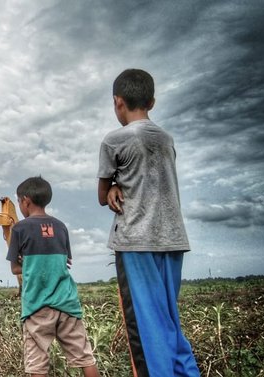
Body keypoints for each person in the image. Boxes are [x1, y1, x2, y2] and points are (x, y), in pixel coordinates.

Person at [97, 68, 200, 376]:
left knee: (147, 332)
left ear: (118, 102)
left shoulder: (114, 140)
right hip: (172, 240)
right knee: (169, 323)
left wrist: (113, 186)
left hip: (136, 242)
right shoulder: (166, 139)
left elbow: (103, 196)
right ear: (152, 101)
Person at [7, 176, 100, 377]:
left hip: (37, 305)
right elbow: (66, 262)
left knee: (37, 365)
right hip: (67, 302)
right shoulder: (61, 226)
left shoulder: (20, 229)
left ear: (25, 200)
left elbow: (15, 268)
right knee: (85, 358)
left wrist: (28, 262)